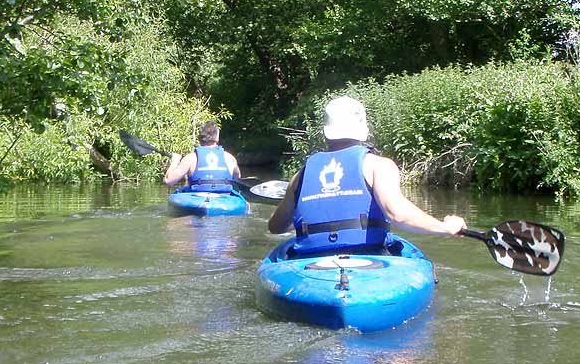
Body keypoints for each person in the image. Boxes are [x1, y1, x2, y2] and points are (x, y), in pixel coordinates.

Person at [268, 96, 465, 255]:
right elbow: (398, 215)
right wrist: (444, 227)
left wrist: (308, 224)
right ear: (363, 129)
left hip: (310, 262)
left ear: (326, 132)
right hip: (368, 256)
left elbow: (276, 226)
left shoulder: (301, 175)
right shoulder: (378, 165)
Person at [164, 121, 242, 192]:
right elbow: (237, 177)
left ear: (200, 137)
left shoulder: (190, 158)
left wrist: (175, 161)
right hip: (224, 198)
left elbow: (169, 181)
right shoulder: (230, 158)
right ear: (217, 138)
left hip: (198, 198)